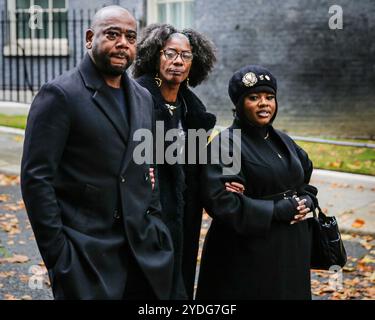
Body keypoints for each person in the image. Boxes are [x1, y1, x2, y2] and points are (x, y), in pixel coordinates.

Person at [21, 6, 174, 300]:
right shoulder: (60, 94)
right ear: (90, 38)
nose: (123, 43)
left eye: (130, 37)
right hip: (84, 254)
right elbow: (36, 179)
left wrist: (154, 223)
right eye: (112, 34)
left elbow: (145, 162)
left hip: (140, 250)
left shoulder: (142, 97)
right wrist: (59, 255)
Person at [133, 24, 244, 299]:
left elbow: (199, 168)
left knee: (179, 287)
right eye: (170, 53)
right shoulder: (136, 100)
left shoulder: (191, 110)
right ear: (154, 56)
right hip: (144, 219)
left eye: (186, 55)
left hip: (185, 218)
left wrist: (224, 184)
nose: (178, 61)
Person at [196, 65, 316, 300]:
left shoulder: (283, 140)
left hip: (291, 251)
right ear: (239, 104)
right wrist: (275, 210)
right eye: (254, 97)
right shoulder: (227, 145)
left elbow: (303, 180)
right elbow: (223, 203)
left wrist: (308, 199)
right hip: (247, 255)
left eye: (269, 97)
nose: (264, 103)